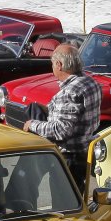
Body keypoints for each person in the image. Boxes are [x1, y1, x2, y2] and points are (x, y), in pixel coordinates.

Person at [22, 43, 101, 182]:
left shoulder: (69, 92)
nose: (52, 67)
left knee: (61, 195)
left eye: (53, 64)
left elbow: (61, 131)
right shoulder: (91, 83)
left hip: (68, 157)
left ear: (59, 65)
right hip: (84, 150)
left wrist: (32, 124)